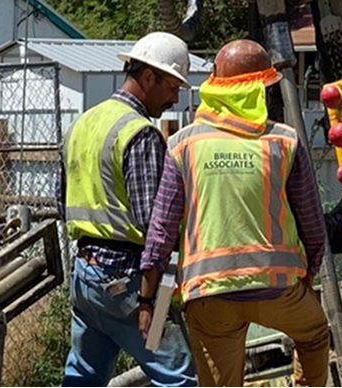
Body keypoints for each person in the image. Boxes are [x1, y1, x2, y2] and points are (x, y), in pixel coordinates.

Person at [138, 39, 330, 387]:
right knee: (315, 334)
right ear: (259, 92)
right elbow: (313, 226)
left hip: (209, 298)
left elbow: (161, 233)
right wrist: (307, 277)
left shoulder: (183, 144)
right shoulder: (284, 142)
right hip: (278, 289)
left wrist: (147, 300)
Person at [61, 31, 196, 387]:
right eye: (172, 86)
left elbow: (65, 201)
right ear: (149, 77)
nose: (175, 98)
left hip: (86, 281)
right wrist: (152, 300)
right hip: (128, 287)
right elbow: (156, 228)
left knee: (83, 377)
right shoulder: (139, 133)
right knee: (178, 376)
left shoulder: (81, 124)